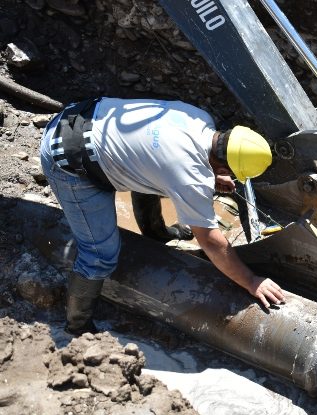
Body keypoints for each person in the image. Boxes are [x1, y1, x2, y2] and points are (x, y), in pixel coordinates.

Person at [40, 97, 286, 335]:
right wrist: (251, 281)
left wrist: (213, 175)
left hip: (83, 118)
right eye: (228, 173)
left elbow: (163, 157)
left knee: (153, 174)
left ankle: (156, 233)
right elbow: (210, 241)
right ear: (223, 167)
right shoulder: (190, 175)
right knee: (99, 255)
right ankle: (77, 326)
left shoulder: (200, 119)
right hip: (67, 159)